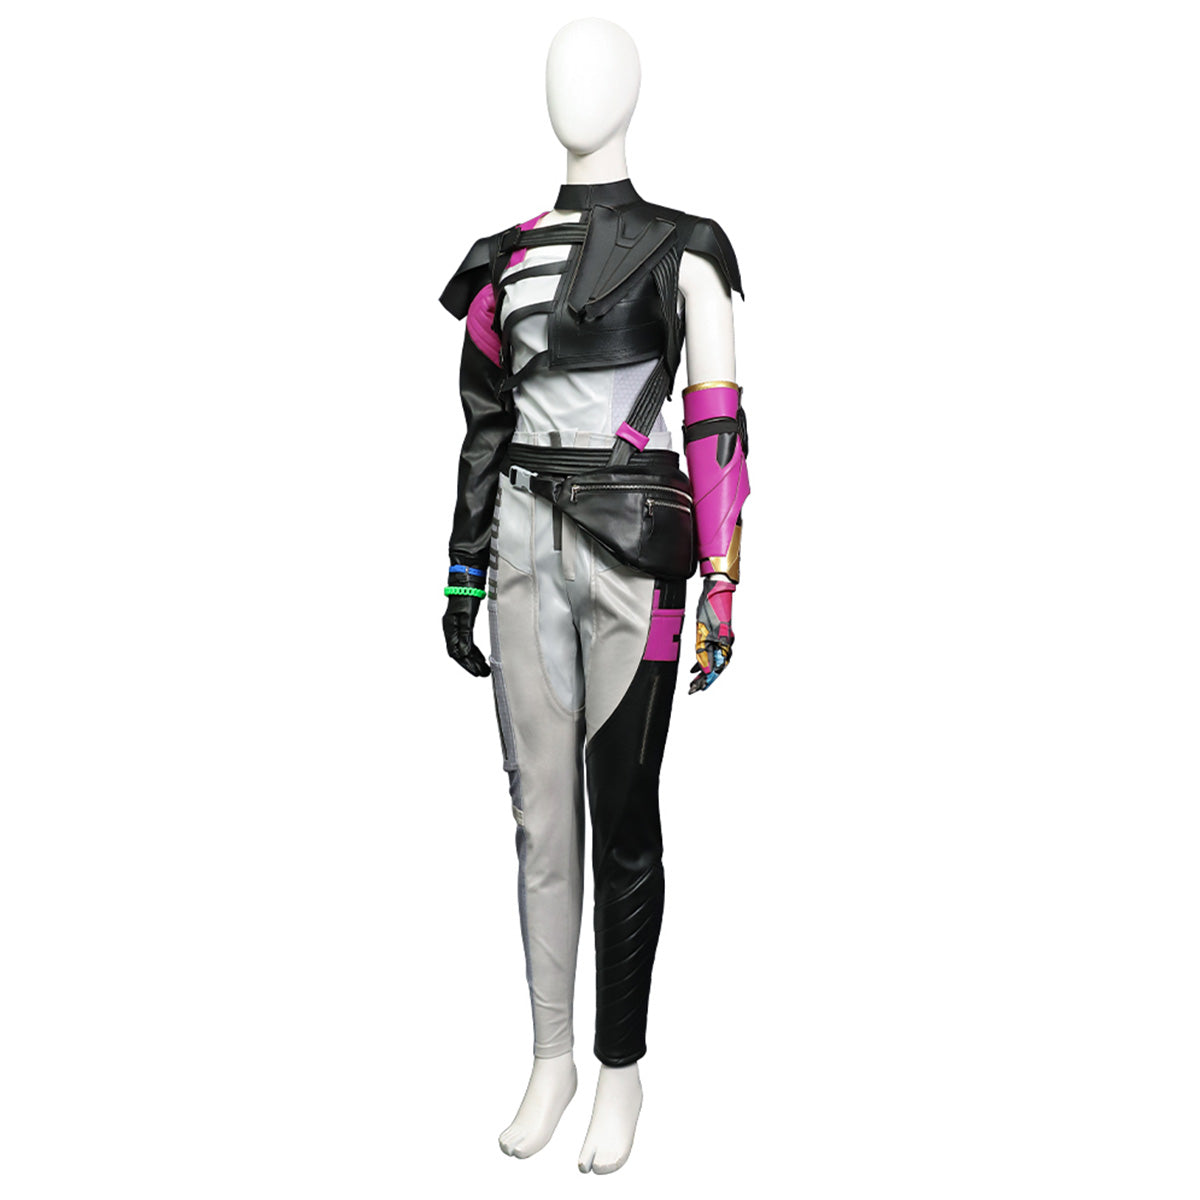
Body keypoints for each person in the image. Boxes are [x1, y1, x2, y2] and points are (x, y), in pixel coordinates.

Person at [437, 18, 749, 1176]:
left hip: (633, 557)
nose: (577, 88)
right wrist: (464, 568)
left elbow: (717, 423)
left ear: (632, 91)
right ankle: (550, 1058)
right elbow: (482, 429)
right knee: (538, 819)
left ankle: (622, 1068)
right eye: (560, 69)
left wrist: (723, 577)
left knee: (623, 814)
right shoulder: (500, 260)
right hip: (523, 545)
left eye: (596, 69)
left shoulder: (687, 251)